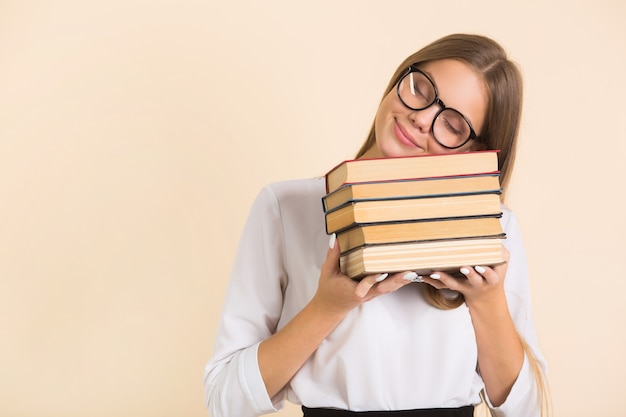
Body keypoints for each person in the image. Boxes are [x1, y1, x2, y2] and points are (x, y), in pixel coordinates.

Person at [203, 33, 550, 417]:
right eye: (420, 89)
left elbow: (527, 411)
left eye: (452, 125)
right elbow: (225, 401)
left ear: (475, 152)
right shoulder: (285, 207)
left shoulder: (495, 231)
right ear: (400, 78)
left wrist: (487, 301)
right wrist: (327, 307)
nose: (420, 119)